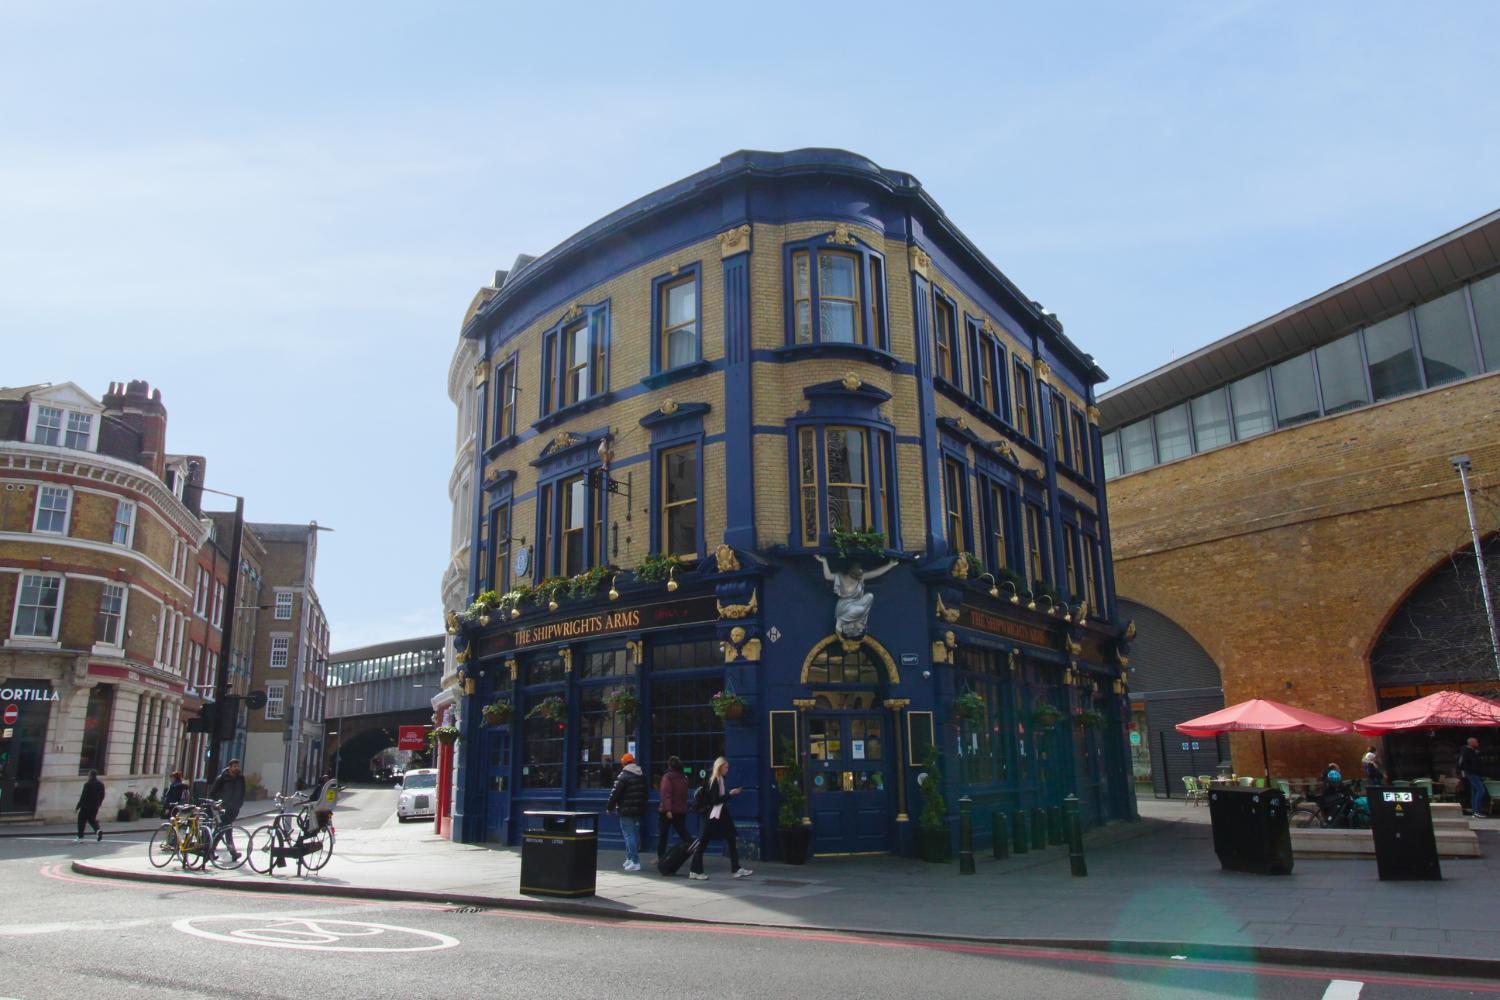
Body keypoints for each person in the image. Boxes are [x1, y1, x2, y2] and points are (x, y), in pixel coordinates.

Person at [688, 756, 753, 881]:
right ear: (719, 767)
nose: (727, 769)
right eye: (726, 767)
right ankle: (695, 871)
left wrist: (728, 793)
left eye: (728, 767)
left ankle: (736, 869)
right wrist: (730, 793)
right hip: (711, 814)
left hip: (720, 813)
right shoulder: (714, 781)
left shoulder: (720, 779)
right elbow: (715, 800)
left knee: (731, 838)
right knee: (703, 842)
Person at [605, 752, 647, 871]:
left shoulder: (623, 776)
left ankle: (635, 861)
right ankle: (629, 858)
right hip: (638, 809)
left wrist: (609, 807)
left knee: (629, 835)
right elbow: (645, 793)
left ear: (623, 763)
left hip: (626, 809)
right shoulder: (641, 774)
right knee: (632, 834)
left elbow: (615, 793)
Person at [657, 755, 690, 857]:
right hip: (680, 810)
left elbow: (666, 794)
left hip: (668, 811)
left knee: (663, 834)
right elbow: (684, 794)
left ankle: (661, 856)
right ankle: (693, 847)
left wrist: (668, 810)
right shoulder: (684, 777)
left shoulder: (667, 777)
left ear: (669, 765)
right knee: (682, 831)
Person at [1458, 737, 1487, 817]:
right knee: (1481, 790)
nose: (1478, 743)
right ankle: (1477, 811)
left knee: (1475, 792)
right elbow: (1461, 763)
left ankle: (1475, 812)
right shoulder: (1465, 751)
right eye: (1476, 742)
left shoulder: (1473, 751)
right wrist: (1468, 770)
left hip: (1476, 773)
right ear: (1471, 743)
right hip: (1471, 773)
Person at [75, 770, 105, 843]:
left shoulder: (87, 784)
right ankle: (98, 831)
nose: (88, 776)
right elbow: (102, 795)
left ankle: (80, 837)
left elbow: (83, 796)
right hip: (95, 806)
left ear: (91, 775)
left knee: (81, 821)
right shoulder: (101, 784)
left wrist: (78, 806)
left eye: (89, 775)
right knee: (92, 819)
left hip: (86, 806)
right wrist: (99, 803)